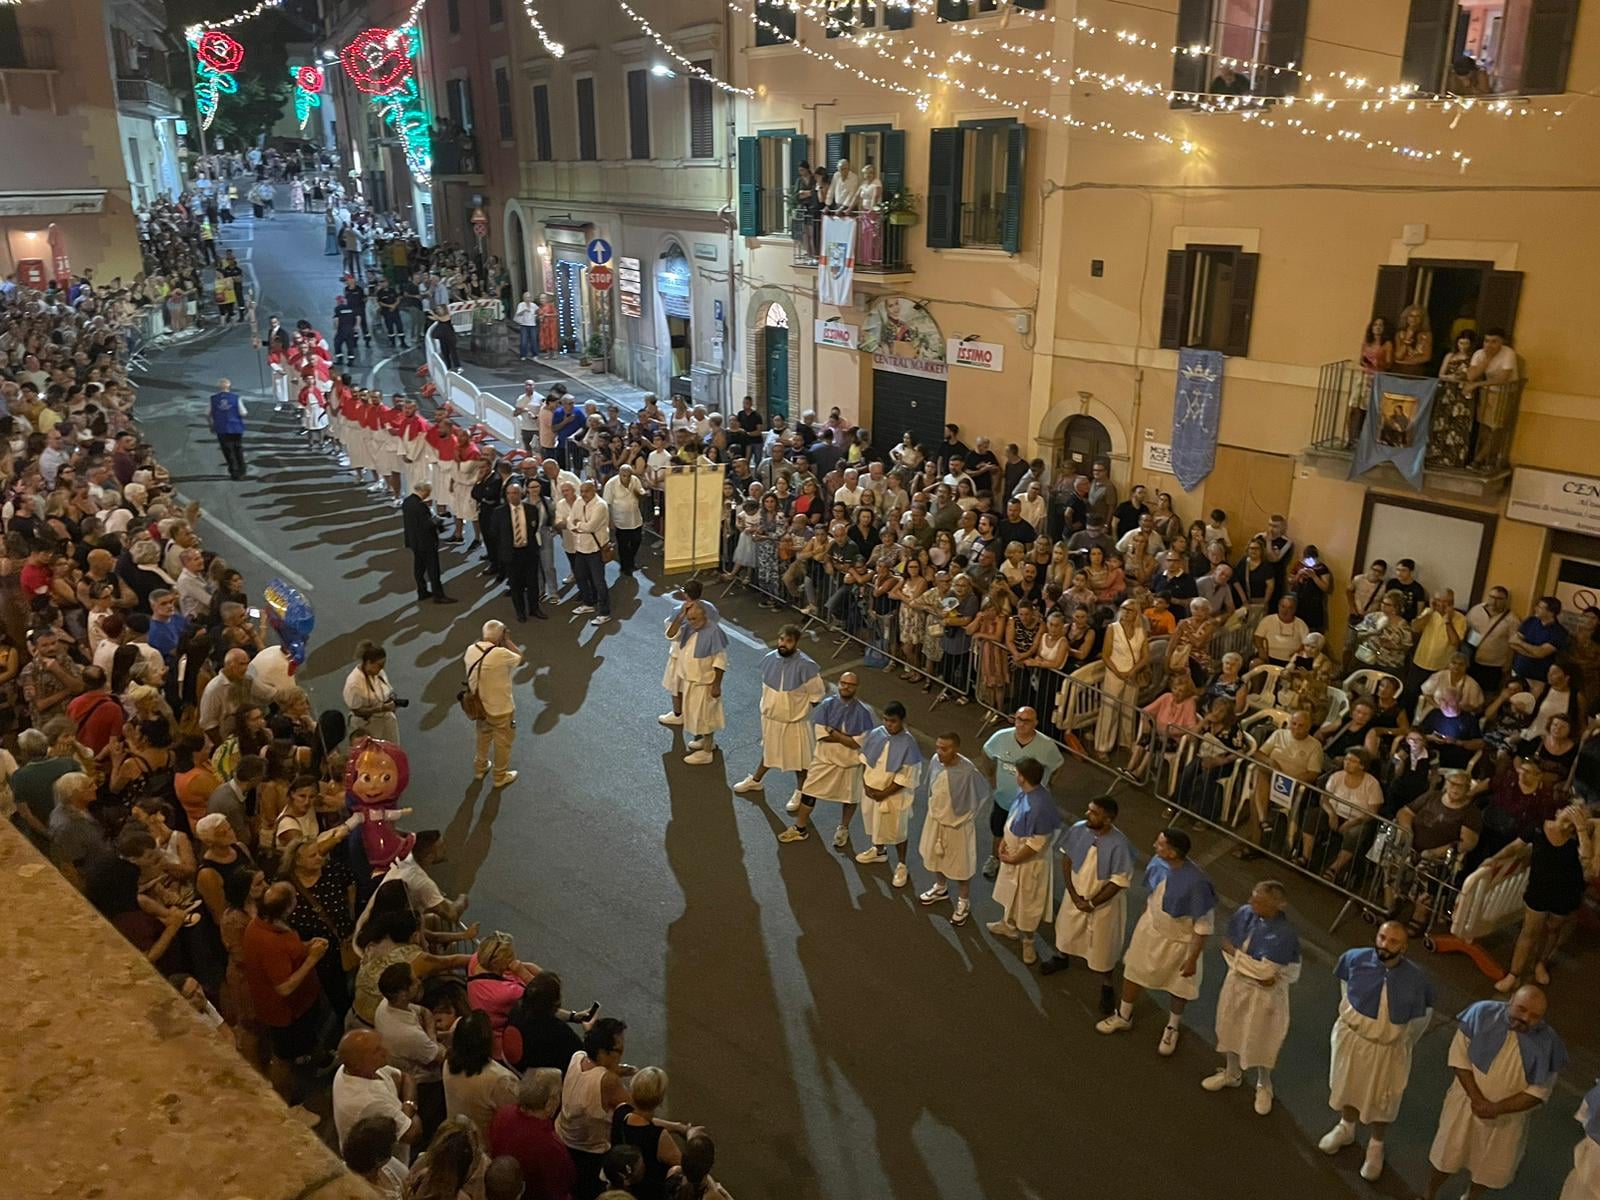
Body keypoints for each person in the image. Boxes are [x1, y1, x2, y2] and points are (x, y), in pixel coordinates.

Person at [1319, 920, 1436, 1181]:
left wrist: (1398, 1040)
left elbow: (1420, 1020)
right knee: (1347, 1085)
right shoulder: (1354, 959)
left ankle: (1376, 1145)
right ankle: (1346, 1127)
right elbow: (1345, 989)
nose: (1385, 944)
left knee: (1383, 1099)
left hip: (1387, 1050)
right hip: (1353, 1039)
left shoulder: (1416, 979)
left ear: (1404, 947)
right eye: (1382, 937)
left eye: (1393, 941)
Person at [1425, 988, 1566, 1200]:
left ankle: (1471, 1198)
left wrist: (1496, 1108)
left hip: (1507, 1121)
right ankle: (1428, 1195)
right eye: (1521, 1009)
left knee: (1488, 1169)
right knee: (1446, 1155)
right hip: (1465, 1106)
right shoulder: (1481, 1013)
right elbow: (1459, 1057)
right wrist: (1476, 1098)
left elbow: (1538, 1092)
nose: (1526, 1018)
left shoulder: (1549, 1044)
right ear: (1511, 1000)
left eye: (1534, 1016)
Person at [1096, 827, 1215, 1055]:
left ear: (1172, 852)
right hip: (1150, 931)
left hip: (1179, 943)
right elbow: (1152, 896)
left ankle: (1172, 1027)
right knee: (1133, 971)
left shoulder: (1197, 883)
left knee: (1179, 986)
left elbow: (1203, 927)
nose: (1154, 846)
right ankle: (1124, 1015)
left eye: (1160, 844)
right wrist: (1144, 921)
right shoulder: (1159, 864)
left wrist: (1192, 959)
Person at [1201, 881, 1302, 1116]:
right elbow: (1226, 948)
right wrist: (1248, 965)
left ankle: (1264, 1085)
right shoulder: (1245, 914)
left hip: (1265, 997)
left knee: (1262, 1039)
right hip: (1237, 985)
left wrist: (1239, 960)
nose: (1250, 903)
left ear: (1277, 904)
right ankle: (1231, 1073)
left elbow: (1267, 974)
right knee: (1229, 1027)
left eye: (1258, 901)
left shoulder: (1284, 934)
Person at [1040, 795, 1135, 1015]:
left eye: (1094, 813)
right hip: (1075, 897)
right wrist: (1073, 894)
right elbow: (1067, 859)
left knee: (1102, 948)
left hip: (1103, 907)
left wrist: (1092, 902)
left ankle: (1107, 985)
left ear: (1108, 819)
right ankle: (1061, 957)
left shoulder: (1120, 844)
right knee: (1066, 931)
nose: (1087, 814)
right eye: (1089, 810)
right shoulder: (1079, 829)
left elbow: (1118, 881)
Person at [243, 881, 330, 1106]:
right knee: (283, 1059)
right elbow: (284, 987)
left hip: (302, 1003)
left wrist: (306, 946)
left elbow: (290, 952)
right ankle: (284, 1104)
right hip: (286, 1012)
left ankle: (319, 1059)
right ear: (288, 907)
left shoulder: (267, 924)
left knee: (306, 1038)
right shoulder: (269, 941)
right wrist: (312, 958)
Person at [1493, 802, 1591, 994]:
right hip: (1539, 889)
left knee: (1553, 929)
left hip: (1566, 892)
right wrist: (1494, 860)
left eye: (1579, 813)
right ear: (1559, 811)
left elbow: (1586, 857)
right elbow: (1515, 847)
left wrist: (1580, 828)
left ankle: (1540, 962)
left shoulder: (1578, 838)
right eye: (1571, 810)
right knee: (1529, 932)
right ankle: (1513, 974)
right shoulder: (1539, 827)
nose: (1572, 815)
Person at [779, 672, 875, 846]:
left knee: (850, 798)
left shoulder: (864, 712)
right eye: (843, 683)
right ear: (839, 683)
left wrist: (833, 732)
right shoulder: (827, 705)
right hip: (824, 759)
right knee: (809, 791)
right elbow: (821, 735)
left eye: (851, 684)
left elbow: (857, 743)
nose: (846, 686)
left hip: (849, 763)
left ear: (857, 687)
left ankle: (843, 828)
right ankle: (800, 827)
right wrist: (845, 737)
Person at [733, 624, 825, 802]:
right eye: (782, 639)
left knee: (800, 761)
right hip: (771, 718)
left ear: (796, 643)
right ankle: (756, 781)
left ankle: (801, 791)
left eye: (788, 641)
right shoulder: (769, 659)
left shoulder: (806, 666)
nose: (783, 643)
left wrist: (799, 712)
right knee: (770, 751)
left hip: (795, 723)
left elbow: (817, 694)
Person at [986, 757, 1063, 965]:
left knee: (1027, 904)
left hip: (1028, 864)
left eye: (1018, 773)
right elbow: (1013, 818)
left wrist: (1014, 858)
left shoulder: (1040, 805)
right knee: (1011, 896)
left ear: (1022, 777)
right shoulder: (1027, 793)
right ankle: (1008, 925)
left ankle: (1028, 941)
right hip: (1013, 854)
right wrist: (1004, 841)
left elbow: (1037, 843)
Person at [980, 707, 1066, 879]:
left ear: (1035, 723)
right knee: (999, 830)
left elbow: (1058, 767)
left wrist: (1047, 785)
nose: (1021, 724)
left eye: (1027, 721)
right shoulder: (1001, 737)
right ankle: (995, 858)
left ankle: (1021, 864)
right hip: (1004, 800)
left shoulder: (1047, 746)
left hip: (1029, 806)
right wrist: (991, 777)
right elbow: (986, 753)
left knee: (1027, 837)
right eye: (1018, 719)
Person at [916, 732, 991, 926]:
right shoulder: (935, 761)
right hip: (935, 820)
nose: (939, 752)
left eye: (944, 749)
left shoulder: (968, 771)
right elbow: (932, 787)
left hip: (958, 826)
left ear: (955, 749)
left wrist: (962, 818)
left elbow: (980, 796)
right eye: (938, 747)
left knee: (961, 866)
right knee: (935, 857)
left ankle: (963, 901)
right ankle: (940, 887)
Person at [558, 1017, 636, 1200]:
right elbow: (636, 1110)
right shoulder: (608, 1081)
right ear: (602, 1052)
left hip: (563, 1137)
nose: (621, 1055)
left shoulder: (577, 1057)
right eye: (618, 1051)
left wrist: (617, 1069)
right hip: (591, 1154)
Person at [852, 701, 925, 886]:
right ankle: (879, 851)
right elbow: (865, 760)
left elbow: (906, 777)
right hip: (872, 792)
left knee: (897, 831)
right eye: (885, 720)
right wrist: (866, 785)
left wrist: (884, 793)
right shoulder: (877, 734)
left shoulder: (909, 744)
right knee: (874, 824)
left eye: (893, 721)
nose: (888, 724)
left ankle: (901, 865)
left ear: (902, 721)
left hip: (893, 797)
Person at [333, 1028, 422, 1161]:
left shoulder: (359, 1068)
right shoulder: (368, 1101)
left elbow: (406, 1078)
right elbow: (412, 1133)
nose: (385, 1052)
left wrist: (405, 1109)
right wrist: (410, 1106)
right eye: (376, 1050)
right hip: (382, 1162)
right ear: (358, 1064)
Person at [489, 1068, 577, 1200]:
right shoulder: (550, 1145)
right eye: (559, 1094)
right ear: (550, 1103)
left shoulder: (503, 1114)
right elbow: (564, 1183)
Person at [463, 620, 523, 790]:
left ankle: (480, 768)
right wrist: (507, 640)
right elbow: (519, 658)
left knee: (483, 736)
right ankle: (500, 776)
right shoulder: (501, 654)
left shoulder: (470, 650)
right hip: (501, 709)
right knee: (503, 743)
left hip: (480, 707)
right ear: (501, 635)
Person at [667, 600, 727, 766]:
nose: (692, 622)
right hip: (690, 681)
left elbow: (720, 661)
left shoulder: (714, 632)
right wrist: (680, 617)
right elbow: (671, 634)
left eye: (694, 619)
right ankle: (707, 741)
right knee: (698, 716)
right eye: (689, 619)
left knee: (705, 717)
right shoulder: (688, 627)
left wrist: (716, 685)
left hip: (704, 683)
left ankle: (707, 752)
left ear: (705, 615)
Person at [445, 1010, 521, 1138]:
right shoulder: (501, 1079)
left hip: (455, 1138)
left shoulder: (447, 1064)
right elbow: (516, 1121)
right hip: (485, 1145)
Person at [493, 482, 549, 622]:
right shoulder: (499, 512)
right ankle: (520, 612)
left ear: (521, 494)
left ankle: (534, 609)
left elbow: (534, 528)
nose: (512, 496)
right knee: (516, 584)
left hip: (529, 552)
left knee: (532, 583)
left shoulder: (531, 509)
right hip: (511, 554)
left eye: (515, 493)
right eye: (509, 493)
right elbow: (495, 533)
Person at [559, 480, 612, 627]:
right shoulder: (579, 502)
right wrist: (577, 525)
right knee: (580, 576)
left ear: (594, 490)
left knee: (599, 582)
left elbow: (591, 527)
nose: (583, 494)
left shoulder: (600, 505)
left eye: (586, 491)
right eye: (581, 491)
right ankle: (588, 603)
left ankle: (604, 612)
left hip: (595, 549)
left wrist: (578, 525)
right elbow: (569, 520)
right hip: (580, 547)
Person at [403, 482, 455, 605]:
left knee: (419, 567)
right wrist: (439, 520)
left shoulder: (407, 502)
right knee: (433, 569)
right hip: (426, 542)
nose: (428, 495)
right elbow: (427, 524)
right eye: (428, 492)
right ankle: (438, 595)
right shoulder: (420, 506)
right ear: (424, 491)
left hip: (414, 540)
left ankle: (422, 591)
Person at [344, 640, 400, 744]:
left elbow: (387, 690)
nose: (382, 668)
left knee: (393, 748)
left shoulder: (379, 673)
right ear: (369, 662)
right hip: (366, 725)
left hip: (385, 718)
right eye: (380, 665)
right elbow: (356, 711)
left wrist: (392, 700)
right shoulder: (354, 683)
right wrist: (381, 708)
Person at [602, 465, 646, 576]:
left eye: (628, 476)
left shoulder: (635, 480)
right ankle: (625, 567)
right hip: (620, 521)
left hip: (635, 519)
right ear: (619, 474)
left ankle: (630, 561)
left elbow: (641, 492)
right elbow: (607, 504)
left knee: (637, 541)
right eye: (624, 476)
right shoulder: (611, 484)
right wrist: (610, 521)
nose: (626, 478)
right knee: (623, 546)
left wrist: (641, 493)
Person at [207, 378, 248, 480]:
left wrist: (211, 424)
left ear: (219, 387)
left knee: (227, 450)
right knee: (238, 448)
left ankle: (234, 471)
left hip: (221, 428)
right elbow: (243, 412)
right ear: (229, 386)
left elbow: (207, 414)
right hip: (235, 427)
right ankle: (242, 469)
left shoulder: (213, 399)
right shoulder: (236, 398)